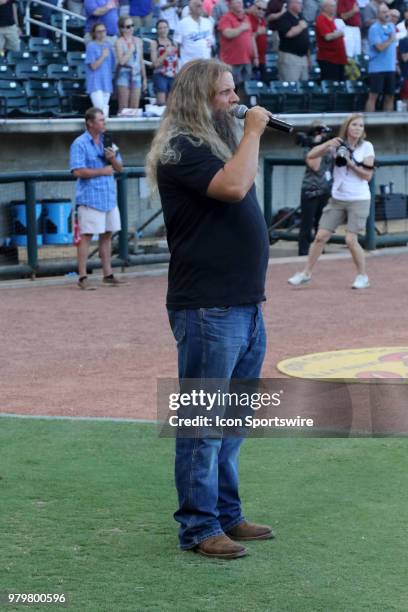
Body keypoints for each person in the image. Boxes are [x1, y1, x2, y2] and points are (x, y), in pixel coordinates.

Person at [146, 58, 273, 559]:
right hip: (209, 308)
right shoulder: (183, 147)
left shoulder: (219, 143)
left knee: (234, 421)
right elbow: (234, 187)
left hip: (244, 303)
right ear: (200, 97)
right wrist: (256, 131)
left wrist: (248, 135)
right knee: (202, 424)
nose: (235, 100)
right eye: (224, 93)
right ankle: (199, 527)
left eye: (234, 90)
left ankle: (226, 513)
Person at [288, 114, 375, 289]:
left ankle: (362, 276)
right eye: (354, 125)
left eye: (360, 125)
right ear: (347, 127)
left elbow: (367, 175)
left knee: (351, 240)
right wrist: (328, 144)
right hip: (337, 198)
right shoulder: (337, 144)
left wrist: (349, 162)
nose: (358, 128)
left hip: (358, 199)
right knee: (320, 237)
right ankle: (306, 273)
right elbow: (312, 156)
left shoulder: (367, 147)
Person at [70, 107, 126, 290]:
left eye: (104, 119)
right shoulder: (79, 143)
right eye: (100, 120)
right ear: (90, 123)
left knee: (107, 235)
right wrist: (102, 170)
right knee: (86, 237)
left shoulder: (107, 141)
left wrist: (112, 159)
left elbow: (120, 168)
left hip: (108, 197)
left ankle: (108, 274)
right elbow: (77, 171)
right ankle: (82, 276)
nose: (104, 123)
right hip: (90, 198)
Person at [298, 122, 333, 256]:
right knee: (307, 224)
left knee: (321, 223)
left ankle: (319, 250)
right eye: (319, 132)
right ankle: (304, 252)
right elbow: (315, 166)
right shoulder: (308, 148)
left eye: (324, 132)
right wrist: (317, 145)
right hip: (310, 190)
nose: (322, 135)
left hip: (324, 189)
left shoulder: (327, 146)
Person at [218, 0, 259, 87]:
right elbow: (227, 33)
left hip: (247, 60)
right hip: (232, 61)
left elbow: (252, 38)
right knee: (232, 88)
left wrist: (256, 56)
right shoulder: (225, 17)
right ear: (230, 5)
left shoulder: (246, 18)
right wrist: (241, 28)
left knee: (246, 88)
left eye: (241, 1)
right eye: (237, 2)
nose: (240, 3)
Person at [365, 3, 397, 111]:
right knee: (374, 96)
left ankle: (388, 124)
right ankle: (369, 123)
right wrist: (390, 40)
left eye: (387, 11)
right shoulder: (374, 29)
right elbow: (379, 47)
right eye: (383, 12)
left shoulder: (391, 26)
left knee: (390, 96)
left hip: (391, 67)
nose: (387, 14)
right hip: (377, 68)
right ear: (378, 15)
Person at [114, 15, 147, 113]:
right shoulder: (119, 42)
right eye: (128, 26)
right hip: (124, 73)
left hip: (136, 74)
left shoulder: (138, 41)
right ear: (122, 29)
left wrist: (144, 78)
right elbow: (121, 61)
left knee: (134, 107)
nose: (131, 28)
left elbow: (141, 60)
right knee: (123, 107)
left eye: (132, 25)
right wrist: (130, 50)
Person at [85, 23, 116, 117]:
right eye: (99, 31)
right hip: (95, 83)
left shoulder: (108, 46)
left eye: (103, 31)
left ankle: (103, 130)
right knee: (99, 111)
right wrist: (103, 56)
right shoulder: (91, 46)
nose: (102, 34)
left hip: (106, 82)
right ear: (94, 33)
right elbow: (93, 66)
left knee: (105, 109)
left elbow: (112, 65)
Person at [275, 0, 310, 81]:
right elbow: (288, 34)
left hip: (303, 57)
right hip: (290, 57)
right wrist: (300, 26)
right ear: (291, 4)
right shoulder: (284, 17)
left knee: (304, 86)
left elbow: (305, 39)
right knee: (291, 85)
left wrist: (308, 57)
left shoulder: (301, 16)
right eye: (299, 3)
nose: (301, 5)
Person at [173, 0, 215, 67]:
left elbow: (211, 43)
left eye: (201, 6)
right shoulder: (183, 23)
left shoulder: (208, 22)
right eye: (198, 6)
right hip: (189, 65)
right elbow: (176, 45)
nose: (201, 8)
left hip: (206, 64)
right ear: (190, 9)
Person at [315, 0, 348, 80]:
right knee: (331, 84)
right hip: (329, 59)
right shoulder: (321, 19)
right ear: (325, 8)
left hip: (339, 59)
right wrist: (341, 32)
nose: (335, 8)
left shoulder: (335, 20)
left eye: (335, 6)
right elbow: (327, 37)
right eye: (332, 6)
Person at [150, 19, 178, 105]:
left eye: (165, 27)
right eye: (160, 28)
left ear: (168, 28)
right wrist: (166, 53)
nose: (163, 30)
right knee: (161, 103)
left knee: (172, 104)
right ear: (157, 30)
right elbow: (154, 63)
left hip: (173, 75)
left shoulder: (173, 42)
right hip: (160, 74)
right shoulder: (154, 43)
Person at [247, 0, 268, 79]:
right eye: (259, 8)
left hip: (262, 58)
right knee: (250, 85)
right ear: (253, 7)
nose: (261, 11)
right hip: (251, 59)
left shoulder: (263, 21)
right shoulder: (248, 20)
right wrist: (257, 33)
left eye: (264, 9)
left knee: (264, 84)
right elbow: (248, 39)